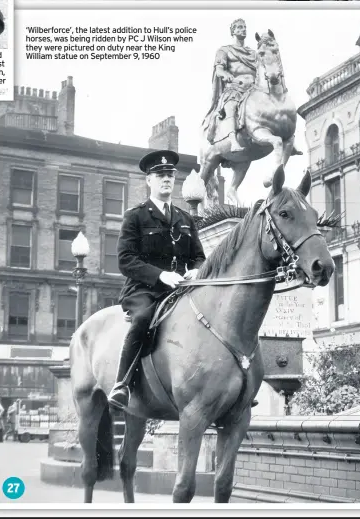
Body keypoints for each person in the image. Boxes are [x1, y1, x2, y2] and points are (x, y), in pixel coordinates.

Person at [108, 150, 207, 411]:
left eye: (170, 175)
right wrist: (160, 275)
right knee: (143, 319)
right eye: (160, 175)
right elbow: (125, 260)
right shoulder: (136, 216)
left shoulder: (185, 219)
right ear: (148, 181)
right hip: (144, 290)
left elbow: (199, 256)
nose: (166, 179)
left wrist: (196, 270)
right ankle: (123, 384)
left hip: (180, 289)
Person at [204, 18, 257, 152]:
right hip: (235, 88)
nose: (243, 29)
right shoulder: (225, 50)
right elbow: (219, 69)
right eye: (239, 27)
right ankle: (233, 141)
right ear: (232, 31)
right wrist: (226, 75)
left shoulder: (253, 54)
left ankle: (285, 134)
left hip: (253, 90)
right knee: (231, 105)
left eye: (244, 27)